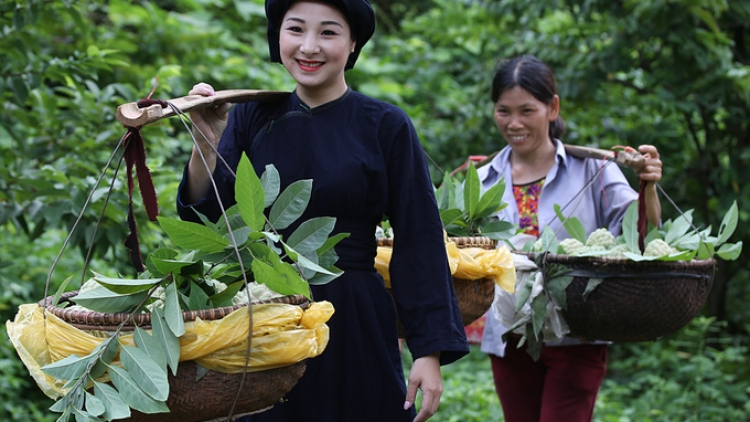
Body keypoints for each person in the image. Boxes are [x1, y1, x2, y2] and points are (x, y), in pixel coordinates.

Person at [176, 1, 469, 421]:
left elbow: (418, 239)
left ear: (353, 45)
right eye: (296, 29)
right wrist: (206, 142)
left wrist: (429, 351)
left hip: (354, 318)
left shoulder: (385, 125)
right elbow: (208, 222)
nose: (309, 46)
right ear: (277, 37)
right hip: (264, 317)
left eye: (328, 33)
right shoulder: (250, 117)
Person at [477, 55, 663, 422]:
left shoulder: (593, 169)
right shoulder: (482, 180)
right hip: (510, 334)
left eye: (527, 110)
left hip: (579, 332)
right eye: (504, 111)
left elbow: (642, 233)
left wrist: (650, 186)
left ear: (552, 107)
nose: (514, 123)